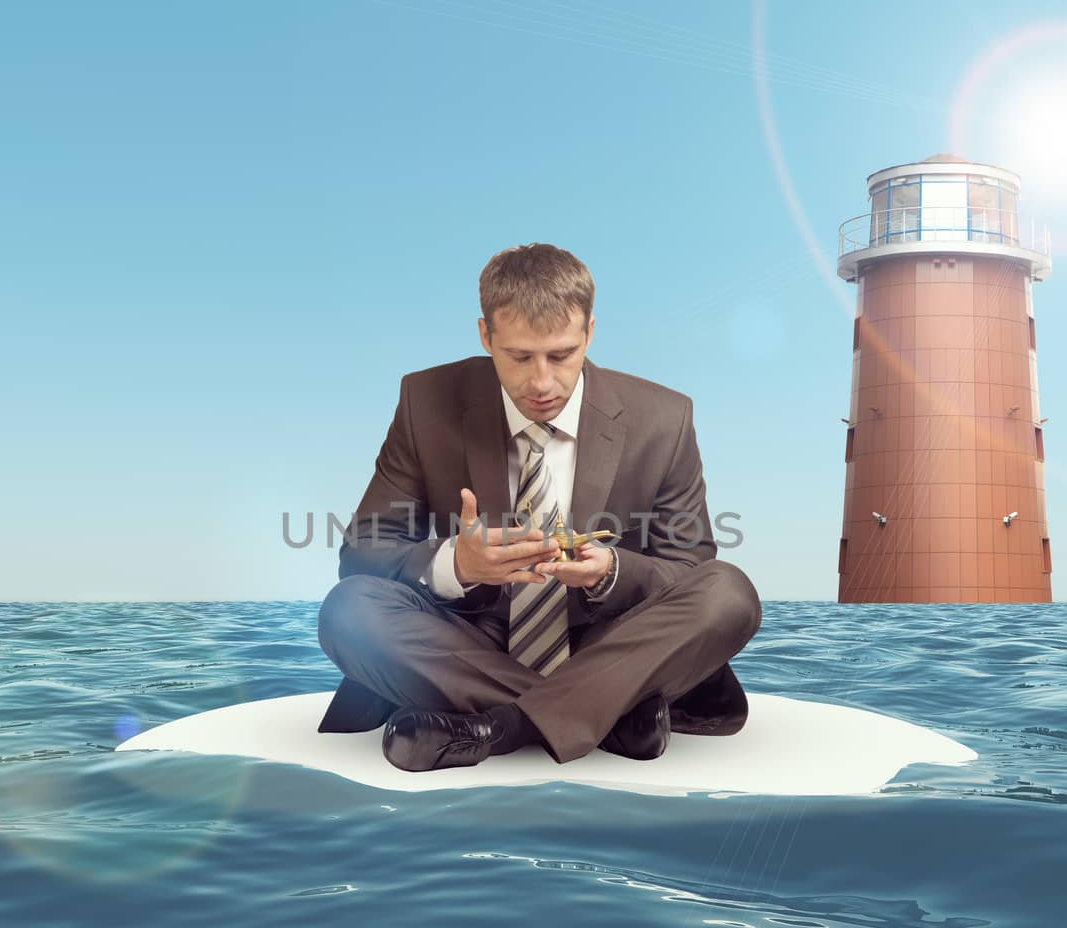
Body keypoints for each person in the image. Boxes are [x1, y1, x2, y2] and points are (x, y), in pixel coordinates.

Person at [316, 243, 761, 771]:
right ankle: (609, 715)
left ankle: (497, 727)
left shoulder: (663, 418)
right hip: (469, 645)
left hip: (612, 641)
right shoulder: (425, 401)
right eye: (519, 357)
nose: (542, 382)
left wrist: (611, 574)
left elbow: (689, 570)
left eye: (562, 355)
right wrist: (456, 565)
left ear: (589, 333)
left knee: (728, 592)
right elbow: (365, 551)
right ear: (486, 336)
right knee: (348, 610)